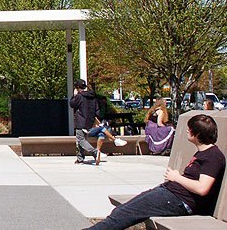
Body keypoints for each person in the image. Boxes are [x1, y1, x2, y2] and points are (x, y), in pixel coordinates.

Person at [88, 114, 225, 230]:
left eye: (190, 129)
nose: (187, 131)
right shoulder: (205, 153)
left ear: (198, 134)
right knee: (121, 211)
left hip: (178, 201)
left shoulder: (213, 156)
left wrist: (176, 177)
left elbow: (202, 188)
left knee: (124, 213)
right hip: (171, 195)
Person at [71, 79, 104, 165]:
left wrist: (74, 96)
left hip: (80, 121)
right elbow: (97, 110)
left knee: (80, 139)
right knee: (82, 139)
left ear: (77, 87)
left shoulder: (79, 96)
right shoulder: (92, 97)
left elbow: (72, 104)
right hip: (90, 121)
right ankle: (80, 158)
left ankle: (94, 152)